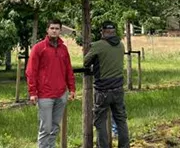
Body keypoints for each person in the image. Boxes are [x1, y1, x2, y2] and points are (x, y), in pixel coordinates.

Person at [26, 19, 76, 148]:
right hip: (45, 95)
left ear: (60, 30)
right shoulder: (39, 48)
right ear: (47, 30)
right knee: (46, 128)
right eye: (52, 28)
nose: (54, 31)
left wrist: (72, 89)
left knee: (55, 127)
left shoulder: (63, 49)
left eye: (57, 28)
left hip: (61, 94)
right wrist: (32, 92)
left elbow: (68, 70)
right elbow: (31, 71)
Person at [84, 21, 130, 148]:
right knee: (121, 120)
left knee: (100, 122)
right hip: (118, 88)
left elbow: (86, 62)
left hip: (102, 90)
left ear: (102, 32)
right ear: (114, 32)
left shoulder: (98, 45)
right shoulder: (121, 45)